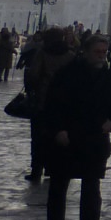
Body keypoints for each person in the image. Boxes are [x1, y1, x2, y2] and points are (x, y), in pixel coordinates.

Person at [41, 33, 111, 220]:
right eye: (97, 52)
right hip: (67, 139)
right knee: (58, 191)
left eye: (103, 52)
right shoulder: (67, 74)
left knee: (91, 192)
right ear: (86, 52)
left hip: (94, 140)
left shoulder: (110, 77)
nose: (101, 56)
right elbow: (52, 105)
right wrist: (58, 130)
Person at [23, 29, 74, 186]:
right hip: (65, 102)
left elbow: (33, 75)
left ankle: (36, 169)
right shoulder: (70, 55)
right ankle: (53, 168)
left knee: (38, 137)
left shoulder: (42, 53)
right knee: (59, 134)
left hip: (43, 100)